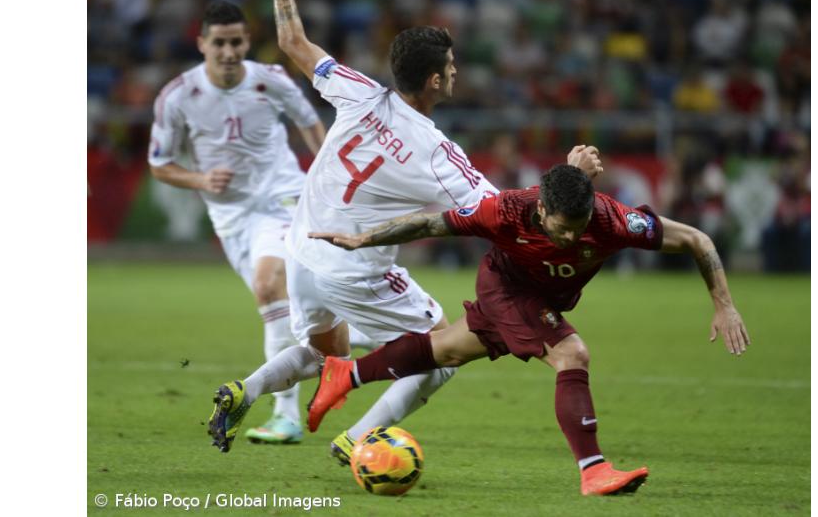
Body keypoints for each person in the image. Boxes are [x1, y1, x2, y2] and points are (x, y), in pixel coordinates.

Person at [205, 0, 603, 459]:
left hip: (300, 251)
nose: (457, 72)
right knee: (442, 352)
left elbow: (293, 43)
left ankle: (245, 390)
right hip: (353, 270)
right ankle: (358, 441)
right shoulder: (437, 154)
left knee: (327, 352)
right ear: (435, 81)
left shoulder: (357, 91)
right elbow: (506, 209)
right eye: (452, 67)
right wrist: (570, 174)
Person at [304, 164, 752, 496]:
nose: (572, 240)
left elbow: (697, 240)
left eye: (579, 230)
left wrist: (724, 305)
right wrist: (364, 239)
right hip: (505, 287)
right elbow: (429, 223)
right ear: (541, 209)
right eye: (562, 229)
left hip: (537, 298)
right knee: (571, 354)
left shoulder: (613, 221)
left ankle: (346, 374)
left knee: (448, 350)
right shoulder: (505, 211)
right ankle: (593, 468)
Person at [149, 0, 377, 444]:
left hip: (283, 197)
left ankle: (285, 416)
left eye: (236, 42)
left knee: (269, 282)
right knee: (281, 304)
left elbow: (313, 126)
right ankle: (361, 334)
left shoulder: (271, 80)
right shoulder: (177, 97)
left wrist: (326, 178)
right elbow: (159, 164)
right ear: (202, 44)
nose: (229, 51)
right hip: (231, 217)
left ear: (247, 42)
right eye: (219, 43)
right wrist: (198, 177)